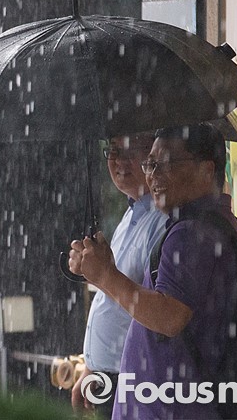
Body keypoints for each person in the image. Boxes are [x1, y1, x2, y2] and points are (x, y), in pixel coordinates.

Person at [69, 123, 237, 419]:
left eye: (167, 164)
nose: (154, 176)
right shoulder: (199, 223)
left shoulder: (191, 232)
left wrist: (105, 275)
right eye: (151, 164)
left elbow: (169, 317)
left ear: (206, 170)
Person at [70, 132, 167, 418]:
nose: (119, 161)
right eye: (113, 150)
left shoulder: (163, 220)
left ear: (154, 155)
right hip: (109, 377)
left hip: (136, 382)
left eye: (130, 150)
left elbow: (156, 308)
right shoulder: (132, 213)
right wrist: (92, 365)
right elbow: (116, 293)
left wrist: (102, 274)